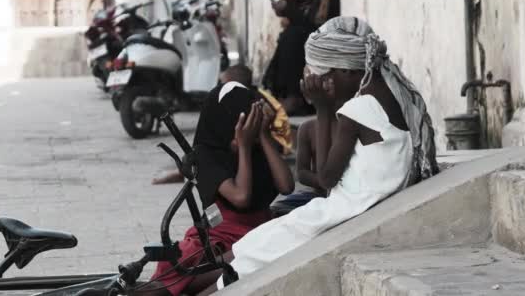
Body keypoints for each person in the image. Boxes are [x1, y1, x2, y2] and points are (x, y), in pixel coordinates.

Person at [205, 17, 439, 292]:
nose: (324, 87)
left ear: (348, 71)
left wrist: (323, 108)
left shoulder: (357, 110)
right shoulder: (395, 95)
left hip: (345, 213)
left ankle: (193, 286)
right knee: (259, 241)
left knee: (259, 249)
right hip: (359, 205)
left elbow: (326, 179)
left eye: (326, 80)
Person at [147, 82, 294, 296]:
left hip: (257, 232)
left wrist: (262, 136)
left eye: (248, 125)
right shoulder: (205, 155)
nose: (242, 134)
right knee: (178, 267)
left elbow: (287, 186)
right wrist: (243, 146)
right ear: (221, 125)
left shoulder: (257, 146)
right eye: (237, 126)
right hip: (220, 239)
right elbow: (240, 196)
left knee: (251, 256)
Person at [152, 65, 292, 184]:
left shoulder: (253, 100)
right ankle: (189, 169)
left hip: (276, 142)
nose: (219, 89)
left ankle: (192, 170)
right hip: (262, 139)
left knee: (219, 146)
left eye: (222, 85)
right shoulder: (246, 96)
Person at [262, 0, 340, 115]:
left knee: (293, 36)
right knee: (289, 34)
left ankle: (296, 97)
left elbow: (320, 21)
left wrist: (289, 11)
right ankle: (286, 94)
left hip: (329, 35)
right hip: (318, 31)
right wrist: (289, 2)